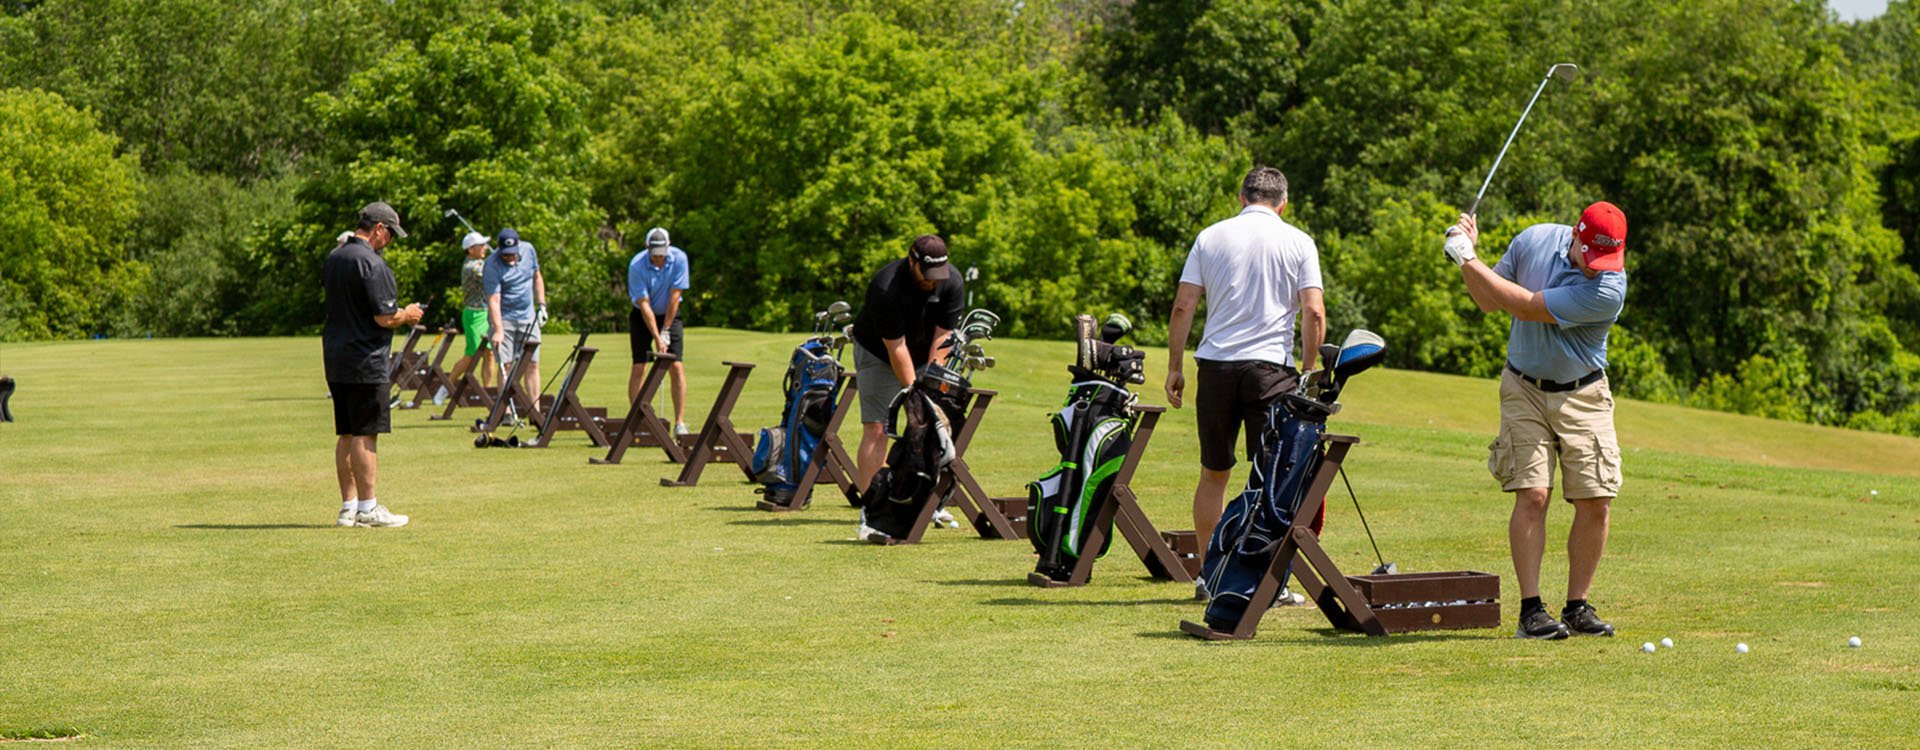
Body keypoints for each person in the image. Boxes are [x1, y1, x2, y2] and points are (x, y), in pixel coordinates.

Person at [1445, 201, 1628, 640]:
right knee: (1533, 495)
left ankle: (1577, 606)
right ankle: (1531, 611)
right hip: (1523, 387)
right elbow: (1489, 300)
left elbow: (1525, 306)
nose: (1600, 267)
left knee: (1596, 500)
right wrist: (1466, 257)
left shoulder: (1608, 289)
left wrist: (1467, 257)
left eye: (1610, 259)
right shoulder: (1533, 239)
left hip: (1583, 393)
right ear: (1575, 237)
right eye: (1594, 256)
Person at [1165, 166, 1325, 601]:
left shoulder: (1210, 237)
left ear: (1241, 197)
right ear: (1283, 203)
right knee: (1270, 478)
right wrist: (1309, 373)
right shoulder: (1298, 241)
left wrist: (1174, 366)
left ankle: (1207, 576)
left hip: (1215, 366)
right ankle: (1265, 581)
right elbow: (1313, 313)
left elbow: (1184, 306)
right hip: (1270, 371)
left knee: (1213, 473)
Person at [323, 201, 423, 528]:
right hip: (366, 360)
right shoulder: (372, 263)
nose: (390, 241)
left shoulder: (335, 257)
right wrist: (407, 314)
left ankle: (348, 507)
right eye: (390, 233)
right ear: (378, 229)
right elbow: (384, 316)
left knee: (347, 433)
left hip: (336, 357)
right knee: (366, 434)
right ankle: (368, 508)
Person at [849, 235, 964, 494]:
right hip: (878, 352)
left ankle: (925, 502)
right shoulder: (885, 286)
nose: (932, 280)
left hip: (925, 352)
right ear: (911, 260)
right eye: (926, 273)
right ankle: (871, 506)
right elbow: (896, 347)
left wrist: (931, 385)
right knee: (878, 427)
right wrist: (915, 392)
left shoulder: (952, 281)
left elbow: (943, 337)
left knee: (932, 426)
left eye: (937, 273)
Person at [627, 227, 691, 436]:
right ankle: (638, 420)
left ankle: (680, 423)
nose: (659, 259)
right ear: (647, 249)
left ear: (669, 246)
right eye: (655, 255)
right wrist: (656, 336)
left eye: (662, 254)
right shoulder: (637, 265)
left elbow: (675, 296)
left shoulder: (680, 259)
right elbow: (643, 304)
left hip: (670, 314)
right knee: (640, 367)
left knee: (676, 365)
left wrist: (666, 330)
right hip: (642, 315)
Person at [484, 227, 548, 409]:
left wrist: (542, 305)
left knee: (532, 364)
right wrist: (498, 330)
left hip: (528, 317)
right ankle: (505, 412)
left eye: (512, 254)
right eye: (506, 255)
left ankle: (535, 410)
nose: (509, 258)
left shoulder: (529, 250)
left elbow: (537, 277)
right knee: (506, 365)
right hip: (504, 318)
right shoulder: (492, 265)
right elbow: (493, 300)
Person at [447, 232, 496, 395]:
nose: (484, 248)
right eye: (481, 245)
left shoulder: (481, 263)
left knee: (489, 354)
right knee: (472, 355)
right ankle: (446, 387)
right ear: (470, 250)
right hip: (474, 315)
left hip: (486, 313)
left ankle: (487, 391)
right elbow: (492, 275)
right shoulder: (472, 267)